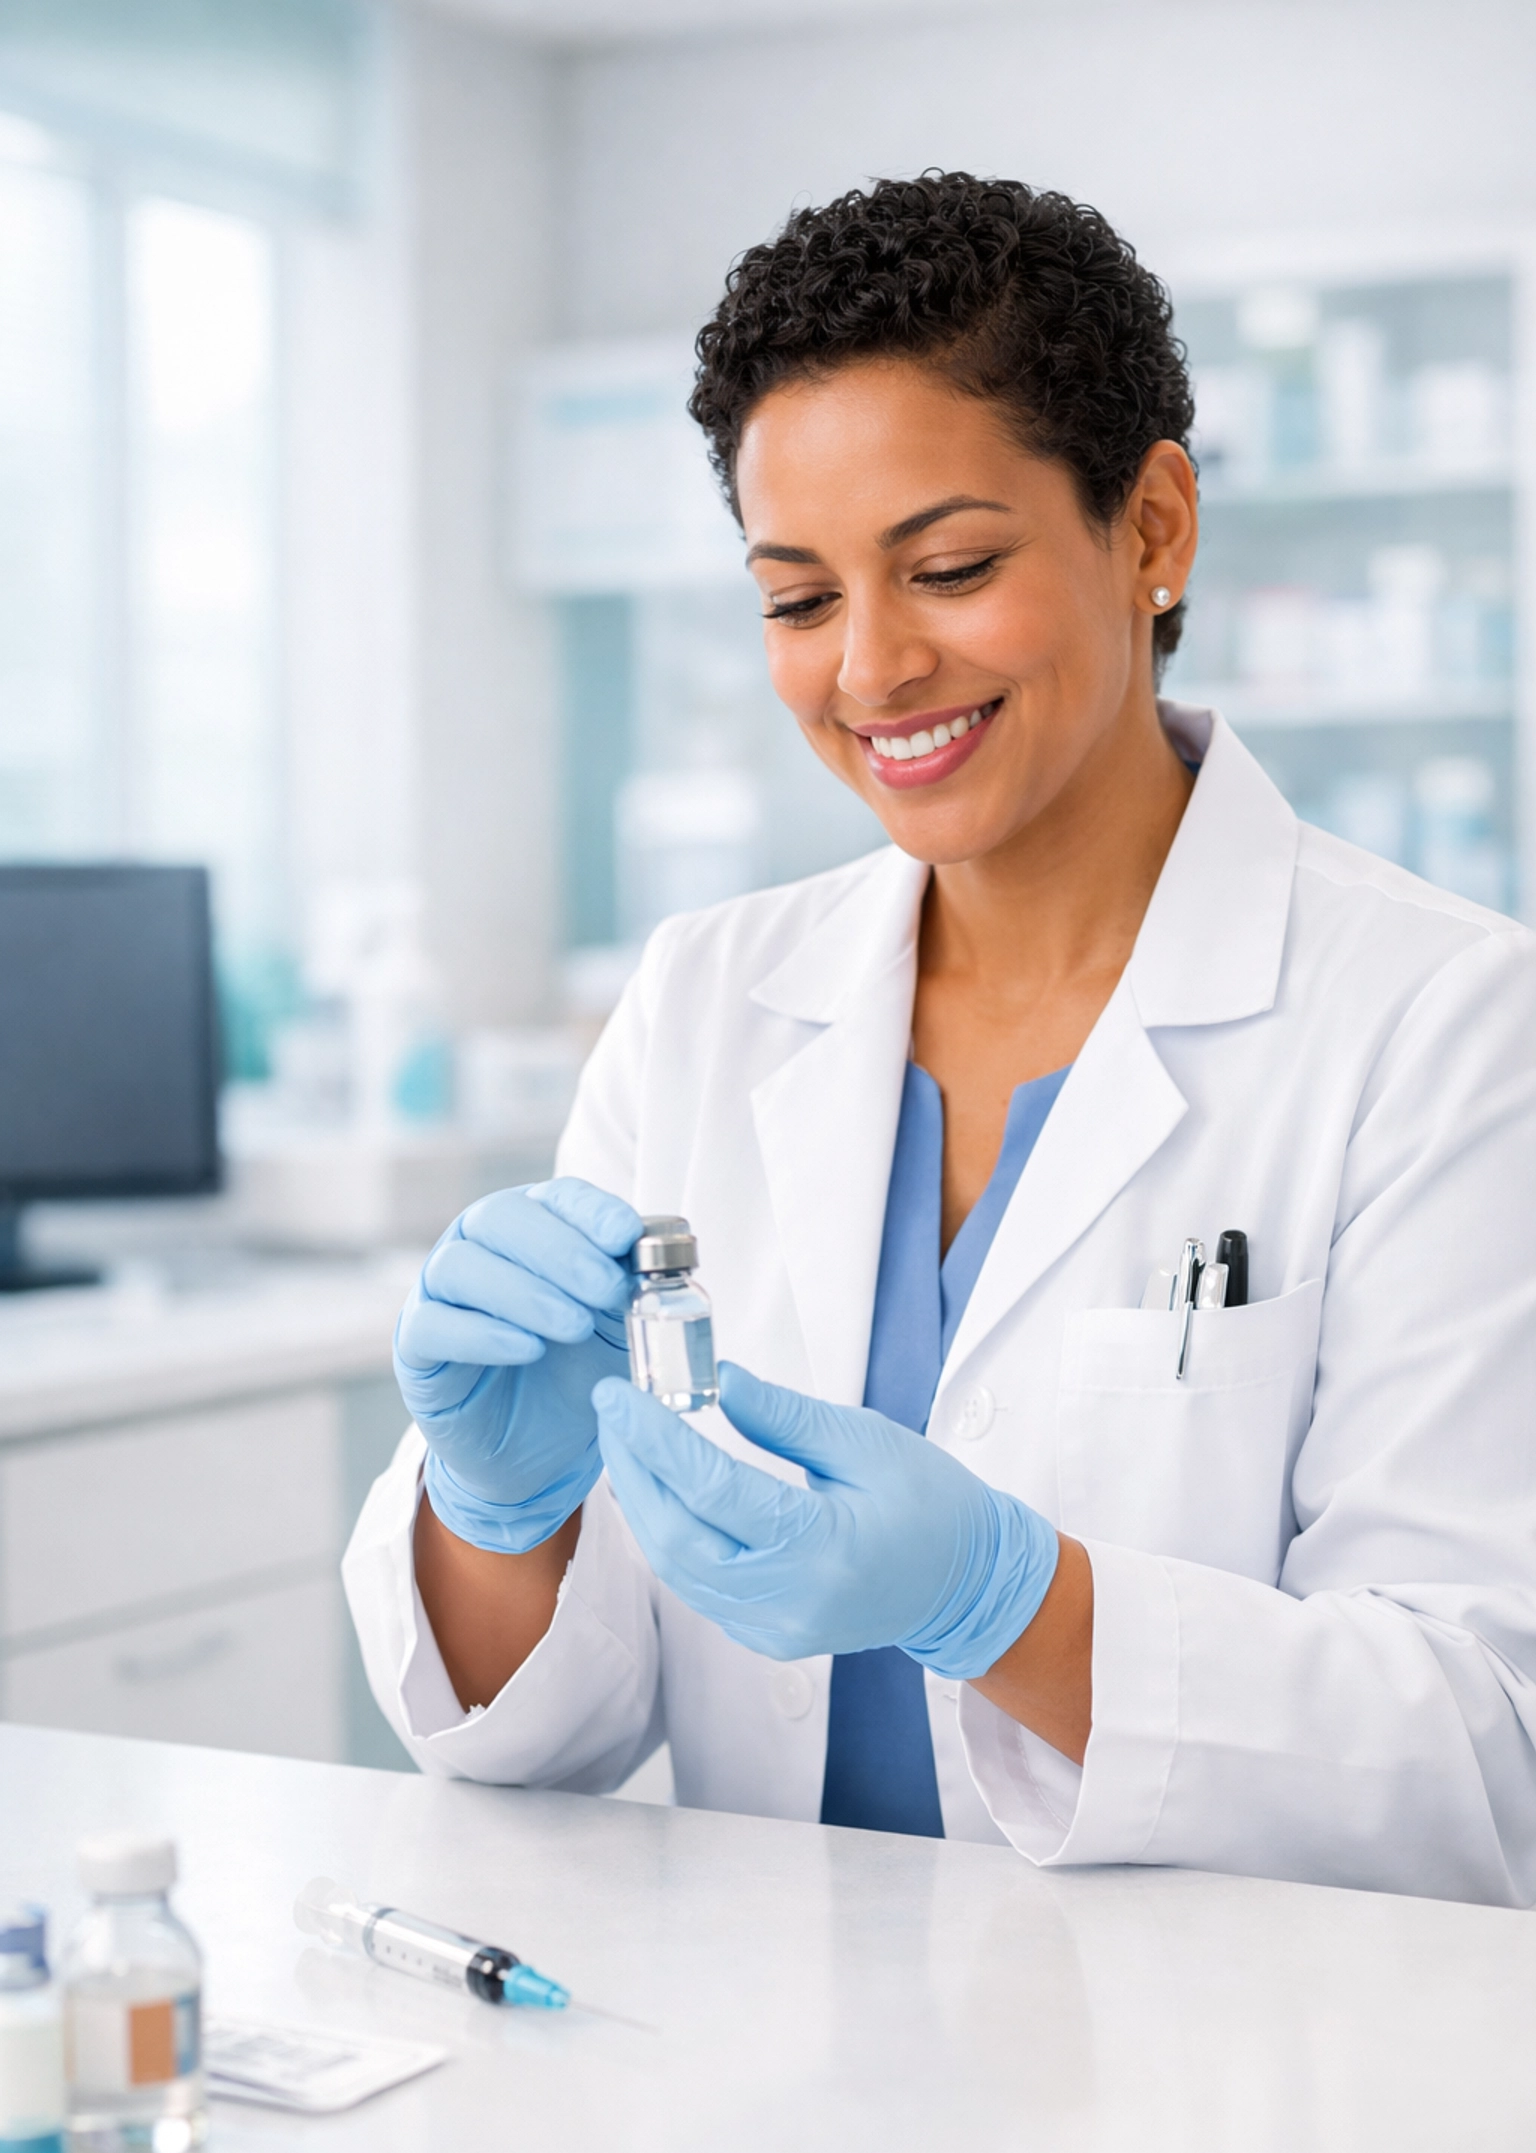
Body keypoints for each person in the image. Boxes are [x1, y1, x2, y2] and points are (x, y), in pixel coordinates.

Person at [345, 173, 1536, 1904]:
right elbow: (555, 1735)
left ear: (1152, 531)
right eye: (798, 599)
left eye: (952, 568)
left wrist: (1005, 1602)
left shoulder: (1445, 1025)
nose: (874, 668)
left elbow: (1480, 1749)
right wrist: (497, 1509)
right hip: (773, 2058)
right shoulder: (704, 999)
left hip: (1218, 2086)